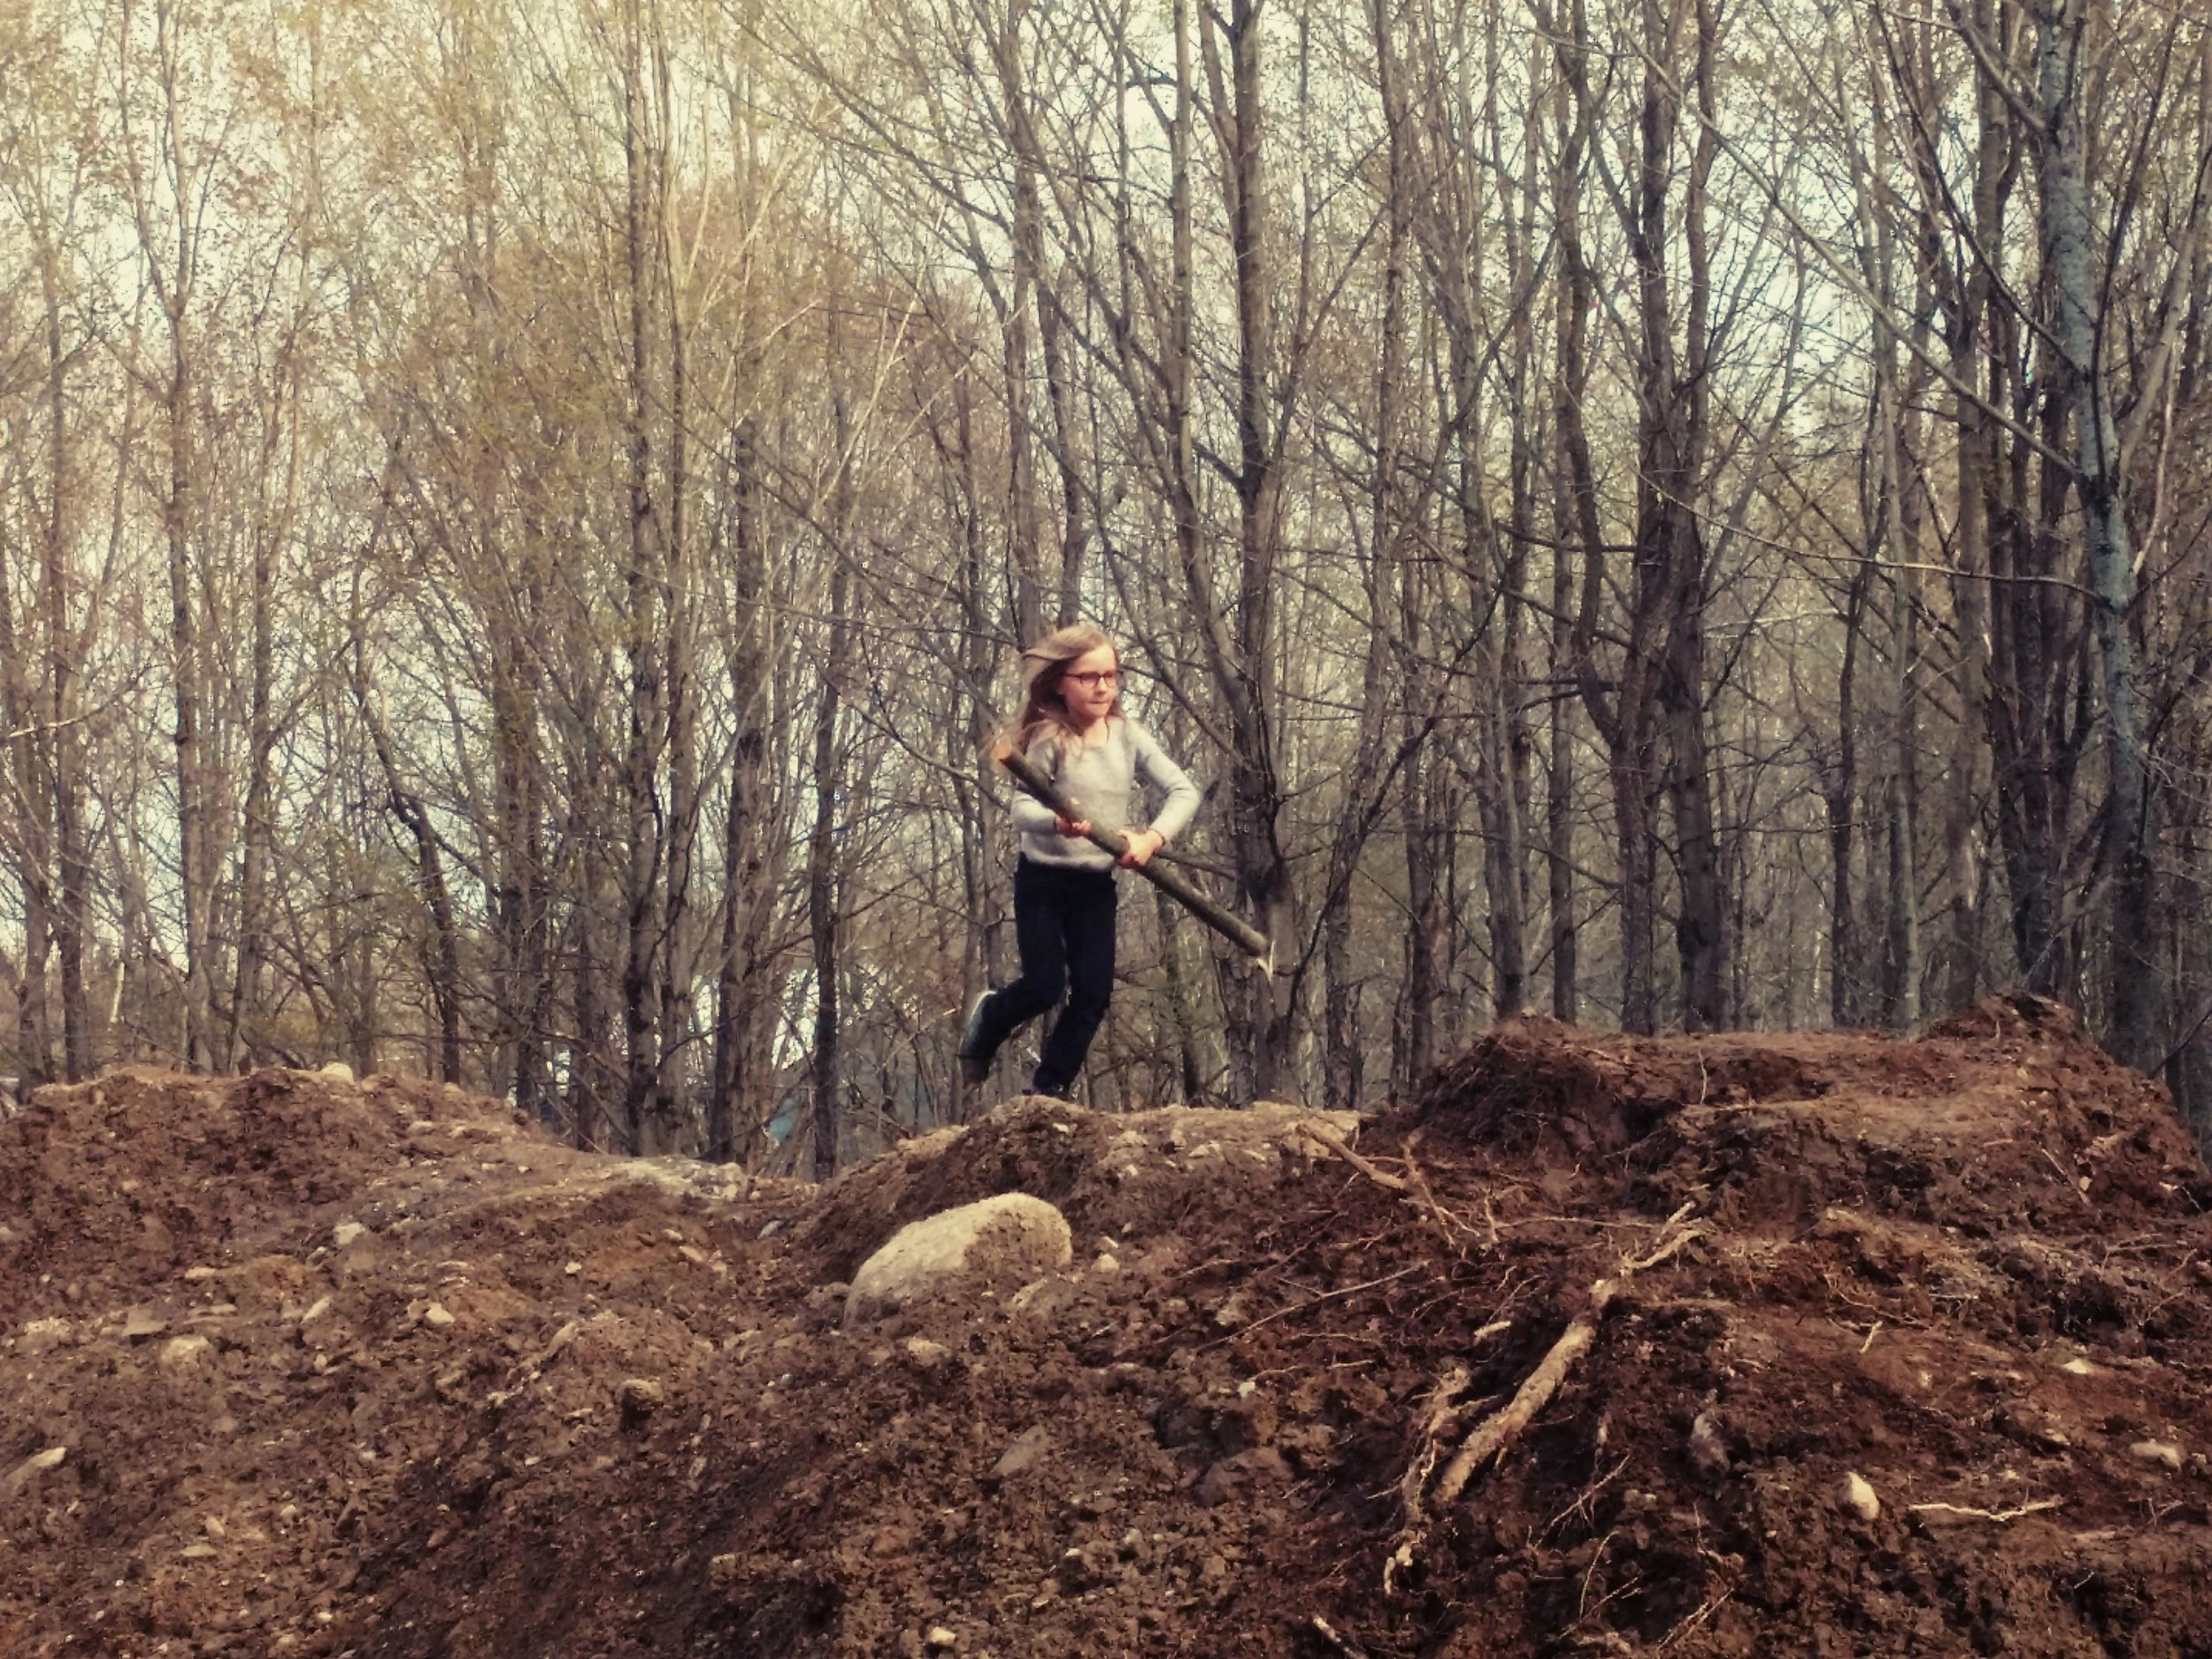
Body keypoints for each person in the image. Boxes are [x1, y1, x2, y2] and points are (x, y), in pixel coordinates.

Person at [958, 624, 1200, 1102]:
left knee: (1093, 993)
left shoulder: (1129, 736)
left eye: (1111, 676)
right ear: (1060, 684)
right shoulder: (1050, 738)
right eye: (1089, 677)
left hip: (1094, 886)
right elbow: (1021, 810)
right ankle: (991, 1017)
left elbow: (1183, 791)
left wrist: (1151, 838)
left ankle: (1048, 1089)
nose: (1103, 687)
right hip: (1043, 882)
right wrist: (1057, 822)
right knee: (1045, 986)